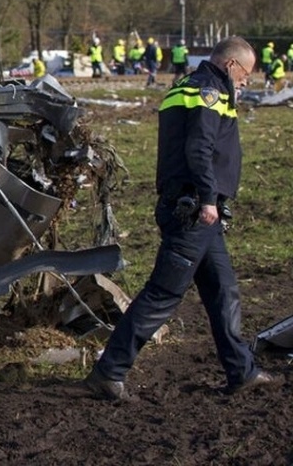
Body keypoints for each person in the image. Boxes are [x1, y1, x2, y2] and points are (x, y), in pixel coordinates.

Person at [84, 36, 276, 400]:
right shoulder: (210, 93)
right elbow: (199, 148)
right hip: (194, 212)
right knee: (163, 294)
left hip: (200, 213)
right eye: (246, 74)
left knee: (223, 291)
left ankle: (241, 371)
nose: (247, 82)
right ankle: (109, 372)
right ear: (230, 65)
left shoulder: (184, 86)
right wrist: (207, 198)